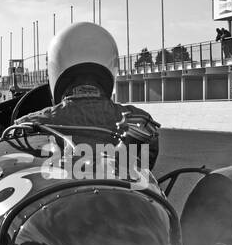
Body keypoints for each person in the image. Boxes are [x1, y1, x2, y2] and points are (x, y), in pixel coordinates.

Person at [14, 21, 161, 169]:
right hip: (118, 191)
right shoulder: (140, 123)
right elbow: (145, 174)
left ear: (55, 68)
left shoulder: (29, 124)